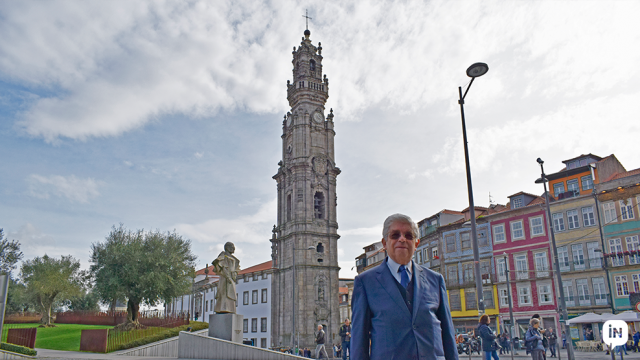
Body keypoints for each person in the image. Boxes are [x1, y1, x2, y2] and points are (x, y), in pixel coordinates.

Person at [350, 214, 457, 360]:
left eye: (409, 235)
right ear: (384, 243)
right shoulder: (365, 282)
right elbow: (359, 343)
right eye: (395, 235)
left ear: (416, 243)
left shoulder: (435, 280)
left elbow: (448, 335)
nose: (402, 239)